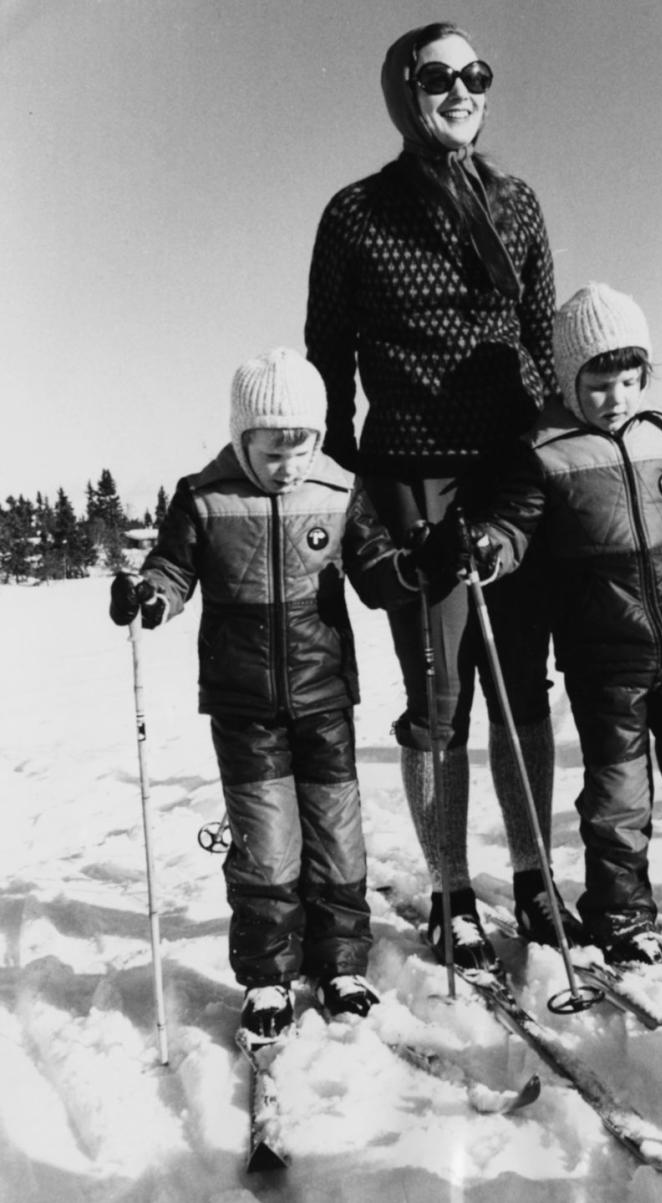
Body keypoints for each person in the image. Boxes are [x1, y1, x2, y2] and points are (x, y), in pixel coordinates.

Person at [304, 22, 576, 969]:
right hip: (411, 481)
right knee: (438, 702)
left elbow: (541, 348)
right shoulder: (356, 215)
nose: (462, 90)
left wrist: (537, 475)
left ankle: (538, 880)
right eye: (438, 77)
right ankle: (450, 892)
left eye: (477, 74)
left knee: (521, 691)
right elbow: (328, 368)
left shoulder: (518, 203)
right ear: (402, 92)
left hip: (508, 480)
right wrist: (353, 506)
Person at [431, 283, 662, 967]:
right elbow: (514, 528)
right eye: (600, 383)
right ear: (569, 379)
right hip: (605, 660)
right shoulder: (544, 451)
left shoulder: (661, 437)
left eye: (630, 379)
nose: (617, 396)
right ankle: (623, 915)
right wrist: (485, 548)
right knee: (618, 797)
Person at [109, 347, 418, 1039]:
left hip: (324, 696)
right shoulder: (205, 496)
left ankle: (340, 963)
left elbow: (376, 570)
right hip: (243, 703)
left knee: (338, 836)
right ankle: (268, 976)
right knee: (267, 844)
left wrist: (420, 567)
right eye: (272, 449)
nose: (289, 464)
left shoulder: (338, 491)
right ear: (241, 436)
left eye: (300, 445)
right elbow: (172, 569)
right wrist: (151, 598)